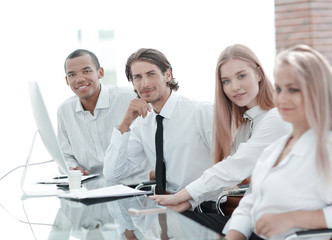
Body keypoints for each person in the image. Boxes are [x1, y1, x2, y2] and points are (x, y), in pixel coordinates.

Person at [224, 45, 332, 240]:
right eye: (278, 89)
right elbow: (252, 200)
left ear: (317, 92)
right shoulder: (275, 149)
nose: (282, 98)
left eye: (293, 89)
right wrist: (234, 234)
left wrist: (292, 219)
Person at [151, 44, 292, 231]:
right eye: (226, 81)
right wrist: (191, 201)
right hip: (255, 218)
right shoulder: (246, 124)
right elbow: (226, 174)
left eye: (241, 76)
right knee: (176, 221)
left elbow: (232, 168)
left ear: (258, 74)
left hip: (283, 224)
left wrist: (182, 196)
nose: (234, 87)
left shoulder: (275, 118)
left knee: (179, 224)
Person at [103, 48, 214, 194]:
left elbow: (228, 164)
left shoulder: (200, 111)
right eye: (137, 77)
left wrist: (188, 197)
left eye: (151, 74)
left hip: (202, 206)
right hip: (166, 205)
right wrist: (126, 122)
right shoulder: (143, 121)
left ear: (167, 74)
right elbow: (113, 174)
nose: (145, 84)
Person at [58, 49, 151, 185]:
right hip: (93, 189)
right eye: (72, 74)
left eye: (86, 71)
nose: (80, 79)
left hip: (136, 186)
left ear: (100, 72)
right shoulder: (64, 111)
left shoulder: (130, 97)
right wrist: (72, 167)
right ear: (67, 80)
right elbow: (65, 155)